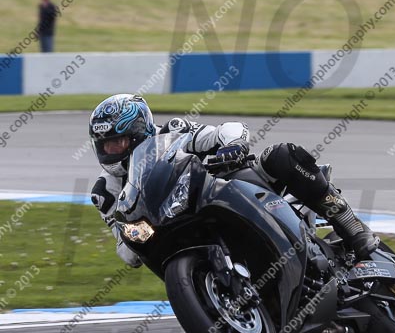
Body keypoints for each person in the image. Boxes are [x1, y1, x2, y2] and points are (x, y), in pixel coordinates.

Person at [89, 94, 378, 269]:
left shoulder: (173, 133)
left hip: (227, 188)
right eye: (104, 145)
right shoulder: (105, 193)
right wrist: (132, 240)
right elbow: (125, 250)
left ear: (139, 132)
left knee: (281, 156)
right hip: (177, 229)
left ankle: (352, 227)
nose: (110, 151)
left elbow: (228, 129)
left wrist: (232, 146)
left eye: (117, 143)